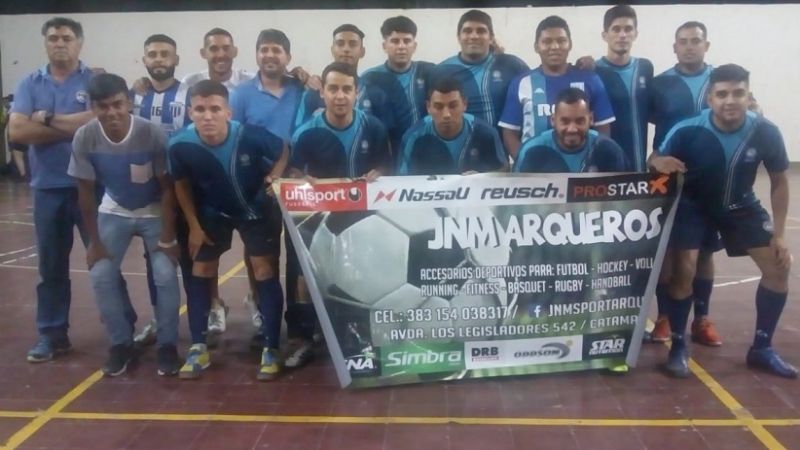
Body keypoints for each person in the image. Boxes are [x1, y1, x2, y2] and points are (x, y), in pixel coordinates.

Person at [650, 64, 797, 379]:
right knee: (684, 270)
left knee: (778, 268)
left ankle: (762, 348)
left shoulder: (765, 131)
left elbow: (780, 182)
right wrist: (658, 161)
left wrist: (780, 235)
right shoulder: (687, 129)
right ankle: (678, 346)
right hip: (692, 206)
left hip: (740, 205)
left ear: (748, 95)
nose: (730, 100)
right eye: (722, 94)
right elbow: (654, 159)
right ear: (710, 99)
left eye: (738, 93)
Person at [169, 80, 288, 380]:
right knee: (201, 269)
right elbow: (180, 185)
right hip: (213, 212)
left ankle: (272, 347)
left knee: (264, 270)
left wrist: (275, 175)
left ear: (228, 112)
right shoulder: (179, 145)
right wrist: (193, 225)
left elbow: (284, 149)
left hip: (256, 209)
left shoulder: (250, 135)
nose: (207, 116)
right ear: (190, 113)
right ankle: (198, 347)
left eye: (215, 109)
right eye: (200, 109)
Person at [68, 73, 181, 376]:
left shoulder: (152, 134)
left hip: (154, 211)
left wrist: (168, 235)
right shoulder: (85, 137)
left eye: (117, 104)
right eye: (103, 106)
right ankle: (121, 344)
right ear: (93, 108)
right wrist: (94, 243)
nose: (112, 112)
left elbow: (168, 188)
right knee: (100, 273)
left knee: (165, 273)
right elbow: (85, 191)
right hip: (115, 209)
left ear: (129, 102)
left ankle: (168, 345)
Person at [287, 63, 391, 365]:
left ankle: (359, 338)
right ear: (322, 92)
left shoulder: (374, 127)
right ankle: (305, 339)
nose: (340, 95)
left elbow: (386, 165)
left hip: (362, 219)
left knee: (362, 277)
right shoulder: (306, 133)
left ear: (357, 93)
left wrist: (379, 173)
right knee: (305, 278)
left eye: (347, 89)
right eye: (333, 88)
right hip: (317, 219)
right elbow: (293, 173)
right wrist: (300, 180)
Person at [8, 17, 96, 363]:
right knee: (51, 268)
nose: (60, 43)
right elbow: (17, 131)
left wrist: (44, 119)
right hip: (47, 188)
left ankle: (121, 332)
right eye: (54, 38)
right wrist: (73, 126)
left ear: (80, 42)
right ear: (46, 42)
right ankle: (51, 334)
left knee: (104, 262)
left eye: (67, 38)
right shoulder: (29, 82)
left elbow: (97, 122)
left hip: (90, 186)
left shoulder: (93, 81)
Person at [228, 29, 309, 360]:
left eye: (277, 50)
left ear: (288, 56)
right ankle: (265, 320)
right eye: (264, 49)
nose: (270, 55)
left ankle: (301, 325)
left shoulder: (302, 89)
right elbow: (235, 138)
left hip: (296, 185)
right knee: (261, 258)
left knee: (299, 257)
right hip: (258, 188)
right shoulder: (242, 94)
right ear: (256, 55)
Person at [648, 21, 720, 346]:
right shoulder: (660, 84)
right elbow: (648, 121)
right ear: (674, 47)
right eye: (683, 41)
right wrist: (655, 159)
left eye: (695, 41)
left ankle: (702, 319)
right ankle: (665, 316)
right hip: (668, 175)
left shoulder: (720, 82)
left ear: (706, 45)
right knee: (667, 251)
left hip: (709, 178)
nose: (690, 46)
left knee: (704, 253)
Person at [131, 33, 193, 348]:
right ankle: (160, 319)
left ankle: (200, 322)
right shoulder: (134, 96)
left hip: (186, 189)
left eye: (164, 54)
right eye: (152, 54)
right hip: (151, 194)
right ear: (144, 60)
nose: (158, 59)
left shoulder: (189, 94)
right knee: (155, 260)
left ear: (176, 59)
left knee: (193, 257)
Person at [499, 15, 615, 159]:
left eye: (561, 41)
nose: (554, 47)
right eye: (547, 41)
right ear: (536, 47)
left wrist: (592, 161)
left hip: (581, 167)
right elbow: (509, 133)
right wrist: (524, 162)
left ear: (570, 44)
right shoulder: (521, 83)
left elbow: (603, 128)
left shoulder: (590, 79)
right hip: (536, 166)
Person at [433, 10, 529, 134]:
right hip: (464, 143)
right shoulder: (442, 70)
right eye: (467, 31)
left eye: (481, 31)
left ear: (491, 38)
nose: (474, 36)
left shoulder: (513, 65)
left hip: (506, 144)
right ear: (458, 37)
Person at [398, 77, 507, 175]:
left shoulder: (486, 133)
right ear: (428, 107)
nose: (447, 114)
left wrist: (482, 178)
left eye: (453, 106)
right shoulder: (413, 136)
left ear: (464, 104)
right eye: (438, 107)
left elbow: (503, 170)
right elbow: (401, 180)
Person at [359, 16, 435, 155]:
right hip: (385, 150)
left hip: (424, 149)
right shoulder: (370, 77)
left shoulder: (428, 72)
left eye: (407, 41)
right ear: (384, 46)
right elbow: (364, 121)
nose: (401, 46)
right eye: (395, 41)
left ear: (414, 46)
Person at [593, 5, 654, 172]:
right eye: (616, 29)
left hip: (638, 163)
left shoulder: (645, 67)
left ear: (635, 34)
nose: (622, 35)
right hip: (604, 163)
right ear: (605, 35)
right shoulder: (593, 71)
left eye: (628, 29)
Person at [513, 87, 626, 173]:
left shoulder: (608, 149)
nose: (572, 129)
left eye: (580, 121)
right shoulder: (531, 150)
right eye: (565, 121)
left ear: (591, 119)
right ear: (553, 120)